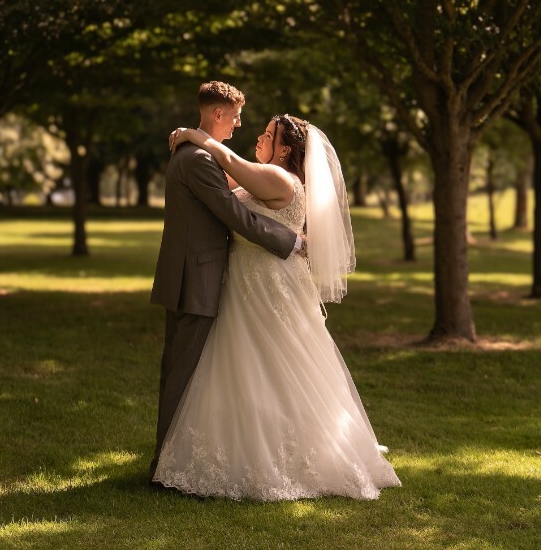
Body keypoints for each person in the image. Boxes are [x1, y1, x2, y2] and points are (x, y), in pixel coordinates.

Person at [152, 113, 401, 500]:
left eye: (269, 136)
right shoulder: (263, 176)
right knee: (252, 366)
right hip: (249, 278)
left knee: (276, 363)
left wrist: (192, 134)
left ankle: (291, 454)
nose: (260, 137)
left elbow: (228, 162)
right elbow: (219, 181)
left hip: (268, 281)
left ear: (284, 150)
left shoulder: (278, 178)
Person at [148, 82, 303, 483]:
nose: (239, 124)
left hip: (194, 274)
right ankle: (166, 465)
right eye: (235, 116)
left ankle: (168, 460)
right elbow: (236, 216)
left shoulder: (196, 152)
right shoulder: (200, 159)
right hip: (196, 278)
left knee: (181, 370)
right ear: (218, 114)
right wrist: (292, 241)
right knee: (183, 374)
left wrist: (189, 133)